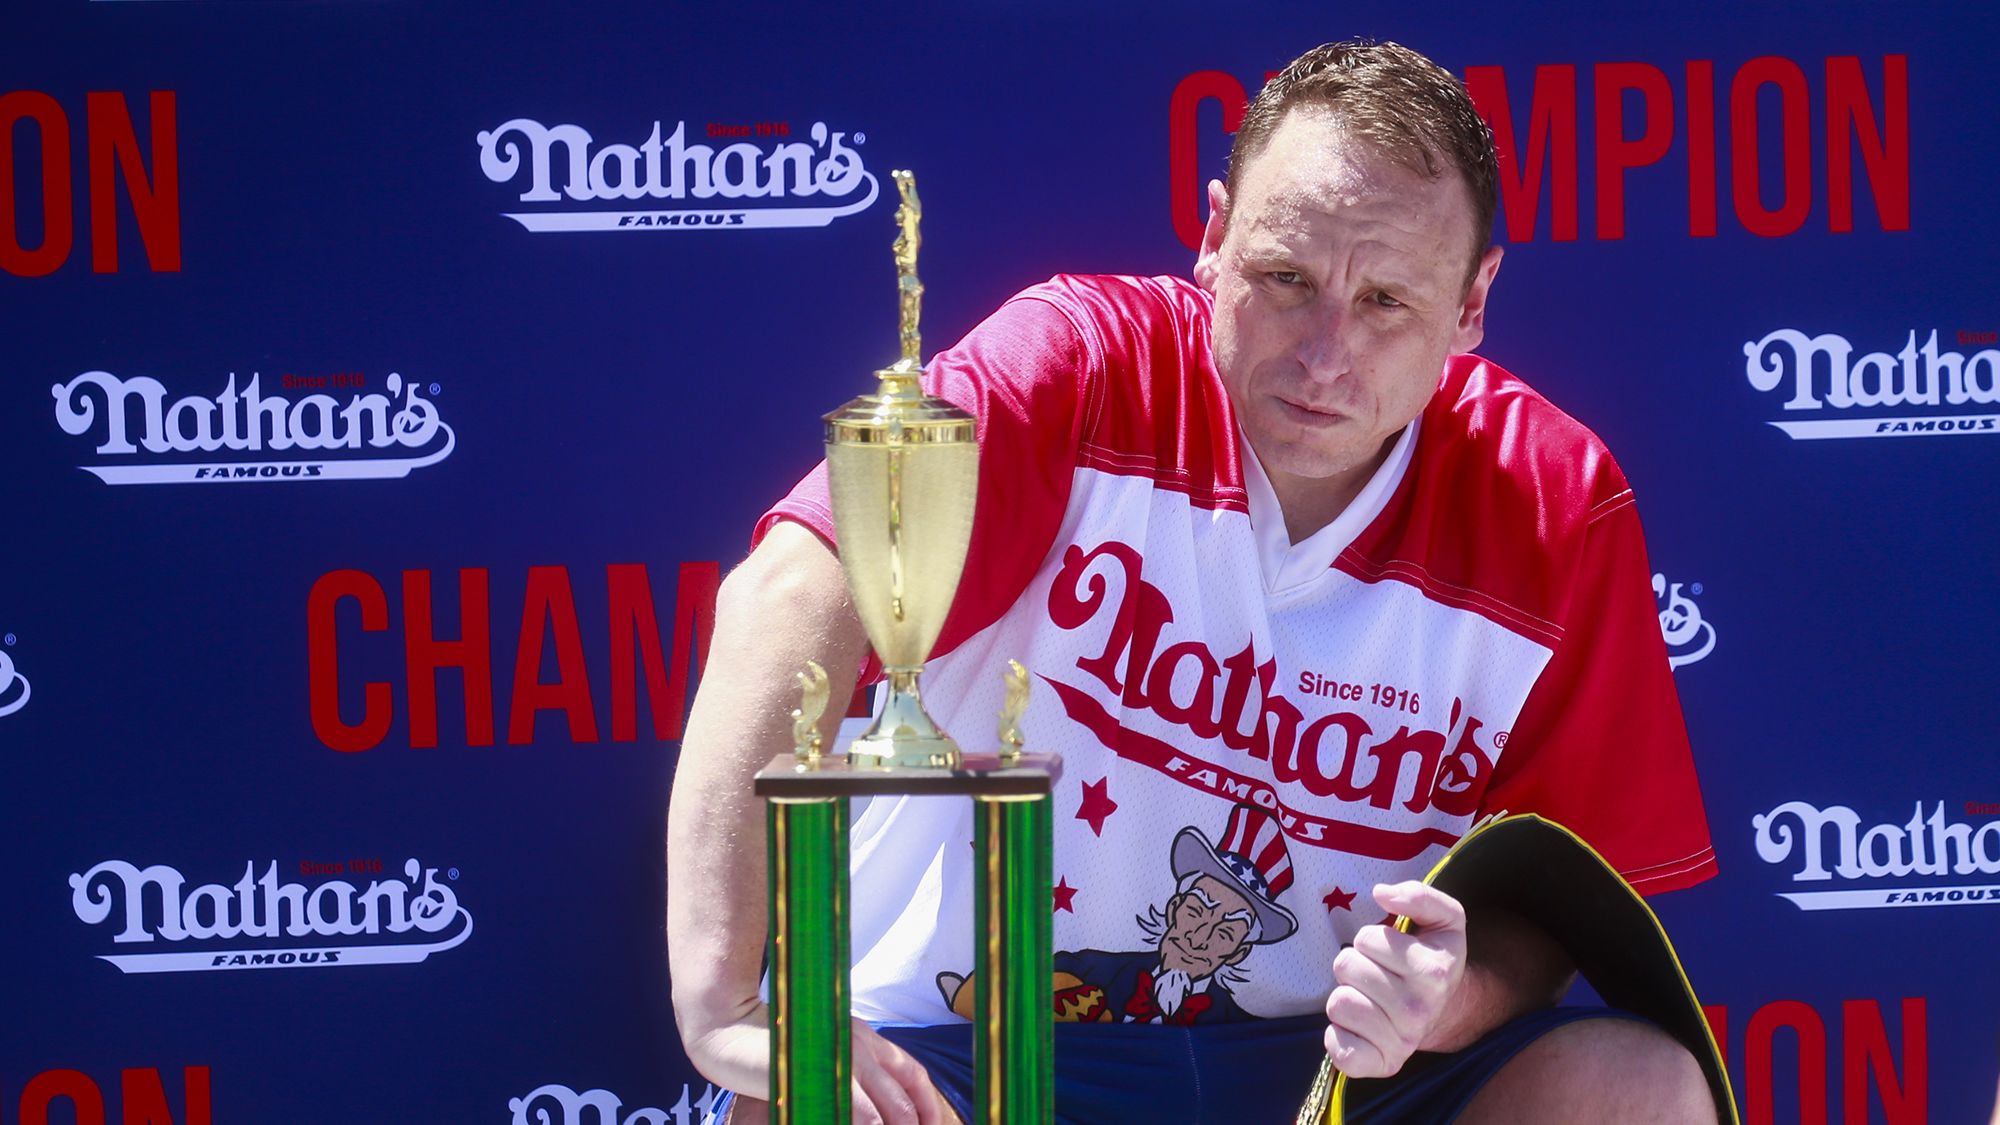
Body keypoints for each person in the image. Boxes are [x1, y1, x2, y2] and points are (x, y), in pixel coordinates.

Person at [668, 39, 1720, 1124]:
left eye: (1386, 303)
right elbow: (783, 598)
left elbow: (1555, 900)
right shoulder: (1080, 367)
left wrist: (1453, 995)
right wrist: (723, 1003)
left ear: (1470, 301)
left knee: (1633, 1087)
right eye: (1286, 280)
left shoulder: (1552, 502)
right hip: (972, 1042)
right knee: (809, 1105)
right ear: (1213, 239)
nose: (1324, 355)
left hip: (1330, 1074)